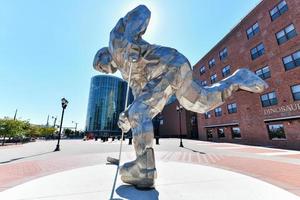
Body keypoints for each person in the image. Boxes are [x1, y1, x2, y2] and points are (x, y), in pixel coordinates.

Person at [93, 5, 268, 188]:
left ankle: (144, 169)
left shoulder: (116, 40)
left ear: (103, 55)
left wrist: (129, 39)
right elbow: (142, 100)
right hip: (175, 70)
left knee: (139, 111)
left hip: (170, 64)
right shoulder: (128, 73)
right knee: (200, 102)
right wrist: (128, 115)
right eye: (101, 70)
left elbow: (143, 11)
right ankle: (236, 80)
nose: (105, 70)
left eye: (100, 66)